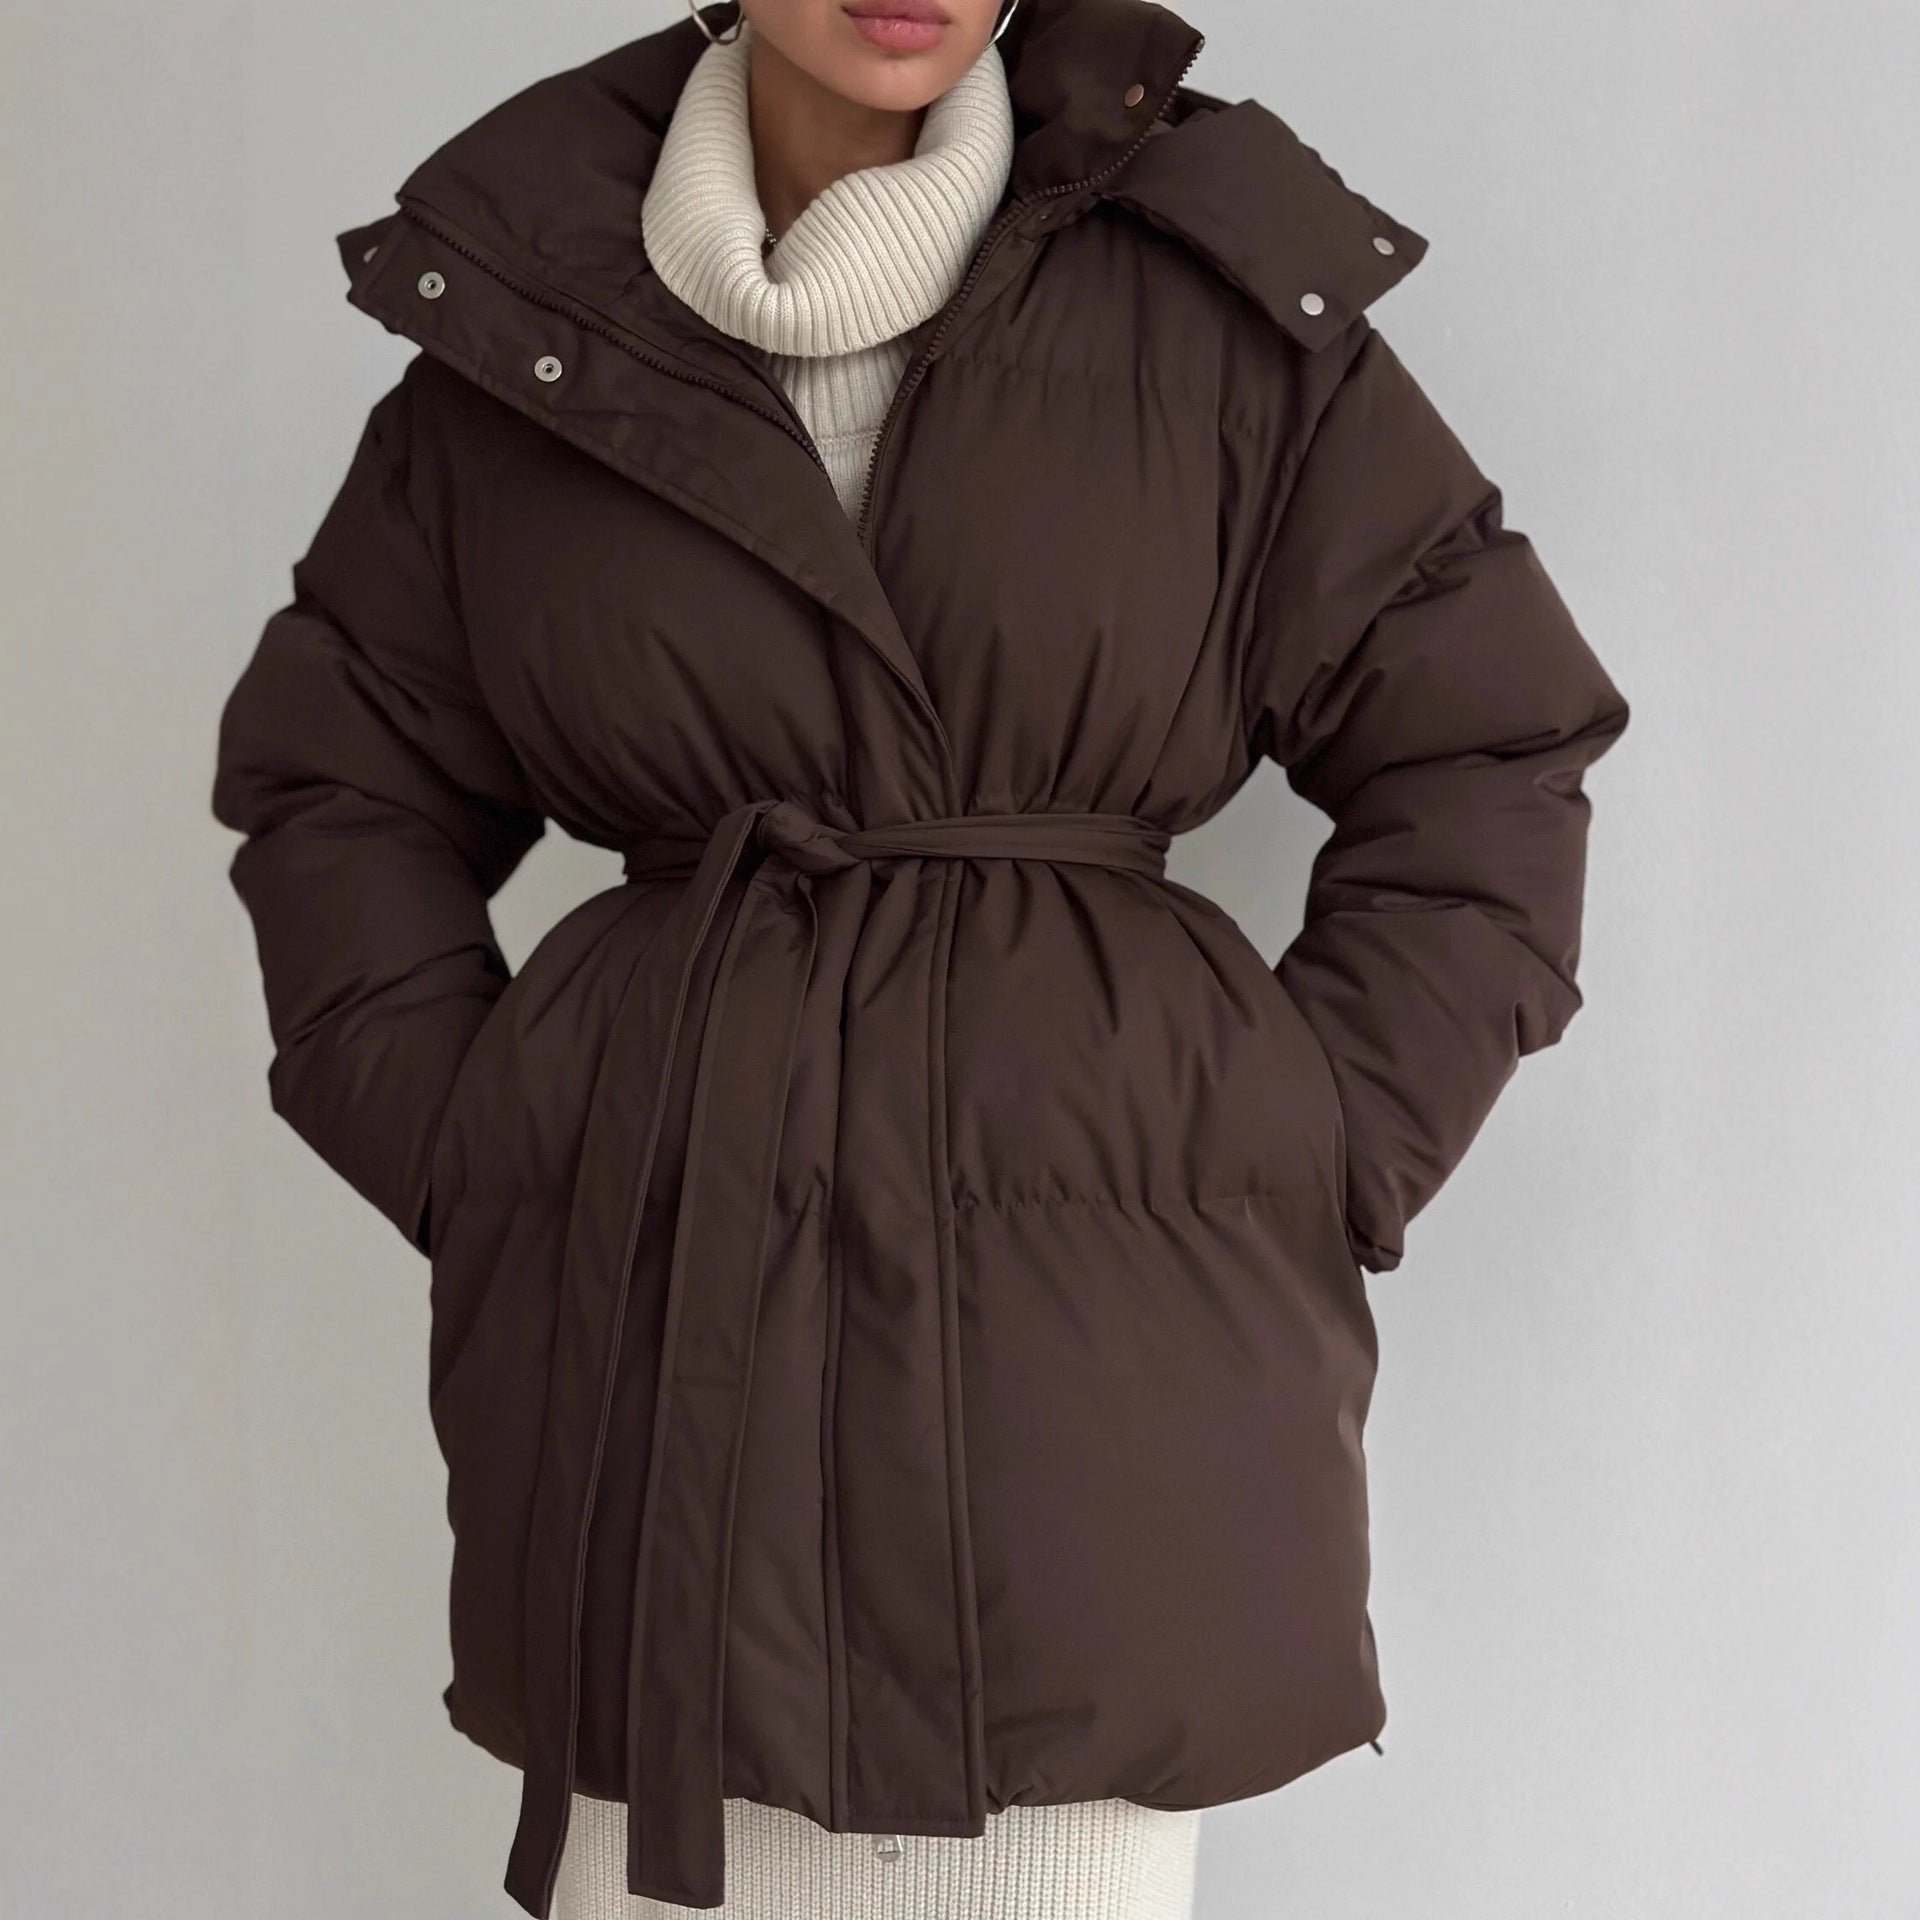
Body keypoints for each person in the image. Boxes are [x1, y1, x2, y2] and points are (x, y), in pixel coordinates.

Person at [209, 0, 1632, 1915]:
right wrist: (492, 1151)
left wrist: (1318, 1141)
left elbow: (1485, 746)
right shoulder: (524, 317)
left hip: (1103, 1428)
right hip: (650, 1385)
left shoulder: (1211, 292)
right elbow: (340, 787)